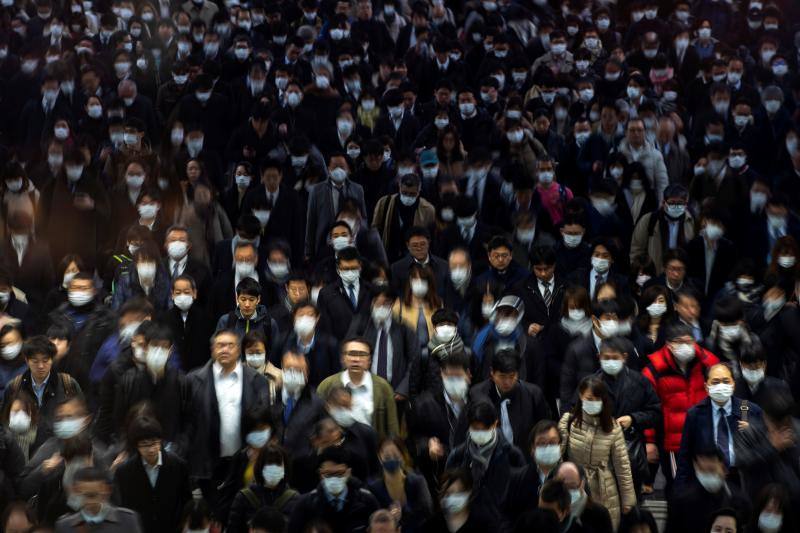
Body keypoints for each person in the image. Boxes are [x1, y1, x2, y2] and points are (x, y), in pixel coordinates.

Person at [187, 329, 270, 507]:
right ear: (212, 350)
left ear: (239, 350)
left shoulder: (257, 381)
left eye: (230, 345)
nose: (225, 349)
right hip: (207, 463)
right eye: (220, 345)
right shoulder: (193, 380)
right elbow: (187, 423)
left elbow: (264, 421)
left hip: (244, 462)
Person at [642, 322, 719, 489]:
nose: (685, 346)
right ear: (669, 344)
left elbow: (735, 401)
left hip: (704, 437)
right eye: (679, 342)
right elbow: (647, 407)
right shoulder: (654, 370)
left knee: (707, 486)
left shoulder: (707, 362)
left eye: (689, 341)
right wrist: (649, 441)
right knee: (678, 487)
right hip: (673, 442)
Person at [558, 376, 636, 530]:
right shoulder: (568, 421)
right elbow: (558, 458)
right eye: (589, 398)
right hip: (574, 487)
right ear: (581, 396)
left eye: (597, 399)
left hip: (605, 491)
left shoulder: (613, 427)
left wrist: (628, 502)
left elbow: (622, 466)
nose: (593, 402)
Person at [445, 400, 526, 527]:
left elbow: (520, 495)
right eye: (475, 428)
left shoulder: (512, 455)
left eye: (484, 429)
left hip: (502, 524)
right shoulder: (457, 456)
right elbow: (448, 491)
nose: (479, 433)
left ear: (495, 424)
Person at [112, 417, 192, 533]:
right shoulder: (124, 472)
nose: (151, 449)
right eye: (144, 445)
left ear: (160, 441)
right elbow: (123, 506)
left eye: (154, 443)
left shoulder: (178, 465)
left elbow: (186, 500)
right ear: (137, 446)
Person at [316, 336, 399, 440]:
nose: (356, 359)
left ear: (369, 360)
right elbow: (316, 422)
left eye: (362, 354)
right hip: (335, 449)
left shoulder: (383, 387)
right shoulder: (327, 385)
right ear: (343, 359)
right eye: (351, 354)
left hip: (371, 449)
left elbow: (392, 427)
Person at [287, 445, 380, 533]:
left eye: (339, 473)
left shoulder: (367, 501)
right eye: (328, 474)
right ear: (321, 474)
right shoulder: (306, 505)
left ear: (348, 472)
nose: (334, 478)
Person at [468, 349, 550, 447]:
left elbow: (544, 428)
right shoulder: (478, 394)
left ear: (518, 374)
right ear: (492, 373)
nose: (507, 382)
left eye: (511, 376)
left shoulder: (533, 394)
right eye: (502, 376)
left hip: (524, 455)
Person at [367, 437, 434, 533]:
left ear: (402, 456)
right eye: (387, 457)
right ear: (379, 457)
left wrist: (404, 512)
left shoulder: (418, 482)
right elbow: (373, 517)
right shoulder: (374, 488)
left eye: (395, 455)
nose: (391, 459)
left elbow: (427, 510)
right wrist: (389, 517)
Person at [227, 444, 299, 532]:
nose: (273, 467)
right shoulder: (244, 497)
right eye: (269, 463)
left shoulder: (294, 499)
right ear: (260, 466)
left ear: (285, 467)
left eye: (278, 463)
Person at [54, 466, 144, 532]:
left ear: (106, 490)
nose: (90, 501)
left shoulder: (127, 520)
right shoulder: (65, 525)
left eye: (94, 495)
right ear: (76, 491)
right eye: (86, 495)